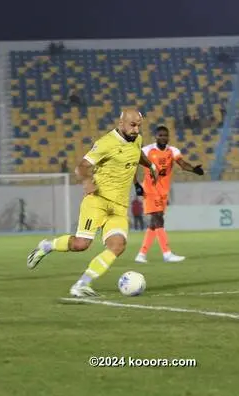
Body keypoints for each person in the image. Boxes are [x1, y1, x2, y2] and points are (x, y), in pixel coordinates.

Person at [26, 109, 157, 297]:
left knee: (117, 246)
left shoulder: (136, 139)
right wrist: (87, 181)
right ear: (121, 124)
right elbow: (81, 167)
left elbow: (137, 154)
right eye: (132, 125)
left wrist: (150, 165)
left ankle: (82, 284)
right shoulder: (106, 143)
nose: (136, 129)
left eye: (138, 125)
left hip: (119, 207)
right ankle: (47, 246)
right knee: (81, 244)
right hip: (98, 201)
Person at [135, 125, 204, 263]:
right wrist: (136, 184)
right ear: (156, 136)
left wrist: (194, 170)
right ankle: (167, 253)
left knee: (154, 224)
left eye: (165, 135)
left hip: (163, 191)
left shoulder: (172, 151)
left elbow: (183, 164)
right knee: (158, 219)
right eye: (160, 135)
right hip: (150, 189)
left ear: (168, 137)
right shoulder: (147, 150)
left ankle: (141, 254)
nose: (163, 137)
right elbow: (132, 165)